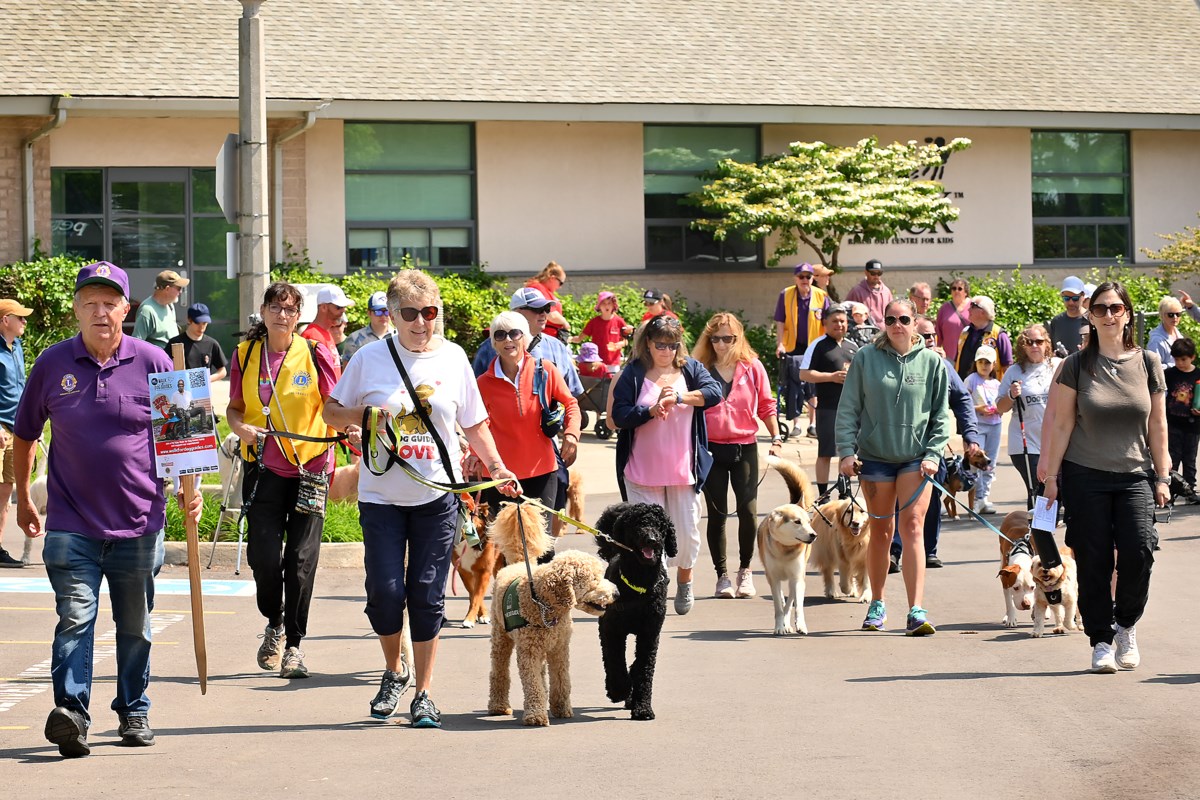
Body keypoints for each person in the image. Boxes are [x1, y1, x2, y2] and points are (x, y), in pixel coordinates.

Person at [12, 261, 202, 758]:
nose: (101, 311)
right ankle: (72, 714)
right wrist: (20, 496)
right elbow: (26, 434)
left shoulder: (157, 361)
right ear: (76, 309)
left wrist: (191, 486)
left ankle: (134, 709)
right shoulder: (52, 364)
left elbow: (185, 435)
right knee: (75, 618)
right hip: (70, 522)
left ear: (126, 308)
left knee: (136, 625)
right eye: (90, 303)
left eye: (110, 302)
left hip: (140, 520)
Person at [324, 270, 520, 728]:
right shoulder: (369, 359)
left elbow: (474, 423)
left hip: (436, 497)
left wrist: (496, 468)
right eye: (409, 313)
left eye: (428, 312)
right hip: (382, 497)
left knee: (427, 595)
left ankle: (425, 693)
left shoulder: (453, 359)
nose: (420, 322)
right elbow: (331, 412)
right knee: (386, 593)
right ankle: (394, 670)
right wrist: (364, 415)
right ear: (392, 315)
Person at [1039, 280, 1169, 674]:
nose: (1108, 315)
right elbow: (1061, 426)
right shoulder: (1076, 365)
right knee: (1094, 559)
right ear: (1090, 315)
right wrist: (1051, 478)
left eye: (1115, 308)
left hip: (1135, 475)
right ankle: (1100, 640)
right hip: (1085, 476)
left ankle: (1125, 624)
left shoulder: (1148, 362)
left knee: (1139, 553)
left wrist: (1163, 477)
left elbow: (1158, 425)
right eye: (1100, 309)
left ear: (1127, 314)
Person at [227, 281, 340, 681]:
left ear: (299, 315)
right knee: (262, 558)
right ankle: (273, 620)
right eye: (275, 306)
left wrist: (354, 432)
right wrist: (240, 429)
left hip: (310, 467)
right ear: (264, 310)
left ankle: (293, 644)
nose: (282, 314)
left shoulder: (314, 353)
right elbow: (235, 409)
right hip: (263, 469)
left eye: (290, 309)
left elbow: (334, 406)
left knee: (300, 560)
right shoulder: (247, 353)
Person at [836, 298, 949, 636]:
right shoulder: (866, 358)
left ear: (915, 322)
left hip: (917, 458)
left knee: (912, 525)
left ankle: (916, 609)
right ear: (883, 322)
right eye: (890, 319)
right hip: (875, 457)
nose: (897, 325)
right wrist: (845, 451)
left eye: (903, 319)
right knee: (882, 531)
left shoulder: (932, 362)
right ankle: (878, 603)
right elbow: (848, 409)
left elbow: (941, 417)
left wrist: (933, 454)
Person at [611, 314, 722, 616]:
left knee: (686, 534)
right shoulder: (632, 374)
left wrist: (681, 397)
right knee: (647, 537)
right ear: (647, 343)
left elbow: (715, 393)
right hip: (642, 470)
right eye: (660, 344)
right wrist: (650, 410)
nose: (666, 351)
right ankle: (656, 586)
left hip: (683, 470)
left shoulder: (691, 369)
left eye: (672, 345)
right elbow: (619, 415)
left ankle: (685, 581)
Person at [693, 312, 781, 599]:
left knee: (748, 511)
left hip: (745, 446)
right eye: (715, 338)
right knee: (717, 514)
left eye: (727, 338)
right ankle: (722, 577)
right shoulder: (700, 368)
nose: (721, 344)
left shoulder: (752, 367)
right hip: (710, 448)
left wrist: (776, 435)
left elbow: (767, 404)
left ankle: (745, 572)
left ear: (738, 337)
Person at [890, 316, 982, 571]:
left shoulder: (942, 365)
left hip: (932, 447)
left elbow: (962, 400)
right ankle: (894, 552)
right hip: (896, 446)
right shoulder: (893, 362)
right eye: (925, 335)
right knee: (898, 501)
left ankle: (929, 550)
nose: (930, 340)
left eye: (932, 335)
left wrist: (970, 435)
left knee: (930, 501)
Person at [474, 311, 580, 530]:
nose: (508, 340)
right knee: (506, 549)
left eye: (514, 333)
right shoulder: (483, 383)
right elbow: (476, 425)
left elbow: (571, 404)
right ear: (493, 342)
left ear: (525, 337)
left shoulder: (546, 370)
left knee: (542, 546)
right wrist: (474, 455)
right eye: (500, 335)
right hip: (499, 476)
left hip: (542, 470)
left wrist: (571, 434)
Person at [472, 288, 583, 397]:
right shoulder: (489, 347)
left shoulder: (557, 346)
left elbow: (573, 392)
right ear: (517, 312)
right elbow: (474, 393)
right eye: (537, 309)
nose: (544, 314)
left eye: (547, 308)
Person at [799, 304, 859, 496]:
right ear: (825, 323)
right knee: (825, 453)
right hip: (827, 408)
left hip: (851, 409)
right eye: (835, 321)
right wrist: (830, 377)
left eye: (842, 321)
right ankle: (823, 494)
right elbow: (804, 374)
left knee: (848, 452)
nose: (839, 324)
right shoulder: (818, 345)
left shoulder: (853, 347)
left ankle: (845, 490)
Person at [996, 324, 1059, 508]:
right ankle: (1037, 533)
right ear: (1023, 345)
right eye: (1029, 342)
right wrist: (1011, 395)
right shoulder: (1015, 371)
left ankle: (1041, 530)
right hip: (1025, 444)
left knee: (1056, 491)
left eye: (1039, 341)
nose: (1034, 346)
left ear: (1046, 343)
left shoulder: (1057, 365)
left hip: (1054, 443)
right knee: (1039, 490)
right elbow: (1000, 407)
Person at [773, 263, 830, 440]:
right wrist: (780, 344)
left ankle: (812, 424)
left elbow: (828, 321)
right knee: (793, 384)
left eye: (808, 277)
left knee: (813, 385)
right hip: (792, 345)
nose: (805, 280)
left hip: (814, 346)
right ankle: (796, 424)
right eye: (801, 277)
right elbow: (780, 321)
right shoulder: (786, 294)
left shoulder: (821, 296)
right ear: (795, 278)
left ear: (813, 278)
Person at [0, 298, 32, 568]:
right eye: (19, 317)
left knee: (5, 491)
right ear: (4, 320)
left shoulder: (17, 347)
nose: (24, 321)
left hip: (15, 428)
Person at [964, 345, 1002, 514]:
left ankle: (984, 497)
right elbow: (963, 402)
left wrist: (998, 408)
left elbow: (1001, 403)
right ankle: (977, 498)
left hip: (995, 424)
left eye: (988, 362)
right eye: (981, 362)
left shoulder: (996, 383)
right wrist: (978, 408)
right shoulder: (971, 380)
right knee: (977, 460)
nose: (984, 366)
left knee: (990, 461)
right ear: (976, 363)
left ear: (993, 365)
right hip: (978, 425)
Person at [1163, 337, 1200, 496]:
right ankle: (1172, 489)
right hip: (1173, 422)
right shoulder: (1169, 374)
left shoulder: (1198, 374)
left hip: (1193, 424)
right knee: (1173, 457)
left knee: (1190, 458)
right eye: (1176, 359)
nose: (1180, 363)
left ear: (1192, 357)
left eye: (1183, 359)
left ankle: (1189, 489)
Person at [301, 285, 354, 379]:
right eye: (338, 307)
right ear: (324, 307)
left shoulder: (326, 333)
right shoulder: (311, 335)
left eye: (344, 307)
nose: (343, 311)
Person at [955, 295, 1012, 380]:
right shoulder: (965, 332)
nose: (968, 309)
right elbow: (957, 361)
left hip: (989, 390)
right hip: (963, 388)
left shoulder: (999, 335)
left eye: (973, 306)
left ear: (984, 311)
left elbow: (1007, 366)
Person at [164, 303, 227, 380]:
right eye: (197, 323)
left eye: (204, 323)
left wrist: (206, 379)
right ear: (189, 320)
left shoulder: (212, 344)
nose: (201, 327)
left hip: (203, 390)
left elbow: (223, 371)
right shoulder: (175, 343)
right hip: (181, 388)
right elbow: (163, 368)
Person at [132, 269, 188, 349]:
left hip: (174, 358)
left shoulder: (170, 305)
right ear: (167, 289)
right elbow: (137, 345)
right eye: (178, 288)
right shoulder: (147, 311)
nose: (180, 292)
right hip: (158, 360)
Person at [575, 291, 629, 372]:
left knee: (612, 383)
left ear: (613, 305)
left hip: (613, 363)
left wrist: (619, 344)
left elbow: (626, 341)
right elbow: (580, 337)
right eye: (603, 303)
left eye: (609, 303)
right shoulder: (594, 322)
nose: (606, 306)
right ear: (599, 306)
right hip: (596, 362)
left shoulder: (619, 321)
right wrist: (571, 339)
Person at [342, 291, 394, 365]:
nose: (383, 316)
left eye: (387, 312)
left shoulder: (399, 336)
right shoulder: (354, 339)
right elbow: (348, 371)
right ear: (369, 313)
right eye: (378, 312)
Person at [524, 261, 570, 341]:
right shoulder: (538, 288)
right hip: (542, 337)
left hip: (550, 336)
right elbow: (551, 315)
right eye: (561, 283)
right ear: (552, 278)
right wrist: (565, 322)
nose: (560, 287)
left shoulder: (545, 291)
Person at [844, 258, 893, 327]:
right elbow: (848, 314)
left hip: (884, 333)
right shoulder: (857, 291)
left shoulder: (886, 292)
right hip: (865, 333)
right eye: (873, 273)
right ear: (866, 272)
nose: (876, 276)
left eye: (879, 273)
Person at [1047, 275, 1087, 354]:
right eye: (1066, 298)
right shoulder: (1056, 322)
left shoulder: (1092, 319)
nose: (1071, 302)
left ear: (1083, 297)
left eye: (1075, 298)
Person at [935, 278, 971, 362]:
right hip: (949, 356)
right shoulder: (944, 308)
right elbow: (938, 332)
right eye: (954, 288)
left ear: (966, 292)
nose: (956, 291)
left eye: (960, 288)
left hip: (969, 356)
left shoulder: (972, 306)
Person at [1146, 295, 1185, 365]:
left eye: (1178, 314)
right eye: (1170, 315)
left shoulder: (1179, 335)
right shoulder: (1156, 340)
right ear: (1162, 315)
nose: (1175, 317)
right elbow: (1154, 367)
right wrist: (1175, 366)